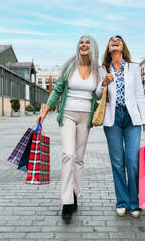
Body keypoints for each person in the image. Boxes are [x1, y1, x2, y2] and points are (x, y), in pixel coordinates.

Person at [36, 35, 99, 223]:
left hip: (86, 117)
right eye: (81, 42)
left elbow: (99, 93)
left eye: (87, 42)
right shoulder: (69, 66)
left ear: (92, 47)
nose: (84, 45)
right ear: (78, 46)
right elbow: (57, 90)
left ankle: (74, 194)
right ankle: (66, 202)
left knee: (79, 159)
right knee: (68, 155)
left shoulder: (97, 69)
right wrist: (45, 111)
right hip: (69, 115)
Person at [96, 35, 145, 218]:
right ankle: (122, 201)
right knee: (117, 162)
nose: (114, 41)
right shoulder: (103, 69)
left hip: (132, 118)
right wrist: (103, 83)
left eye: (118, 40)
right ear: (109, 47)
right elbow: (96, 94)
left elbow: (139, 94)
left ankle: (134, 202)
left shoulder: (133, 67)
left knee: (132, 162)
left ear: (123, 46)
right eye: (111, 40)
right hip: (112, 119)